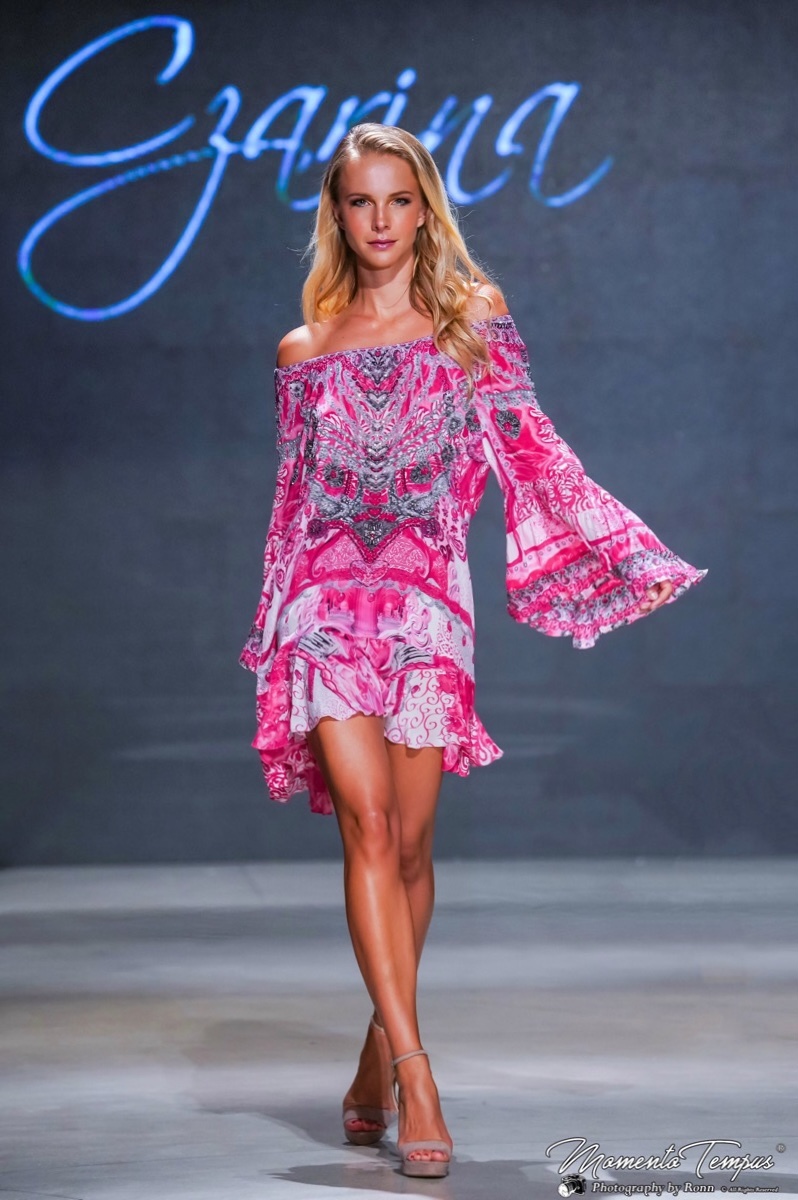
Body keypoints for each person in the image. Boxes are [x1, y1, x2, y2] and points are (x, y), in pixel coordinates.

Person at [238, 122, 707, 1178]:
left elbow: (535, 454)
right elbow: (291, 506)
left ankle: (374, 1052)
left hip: (425, 608)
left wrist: (622, 551)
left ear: (425, 210)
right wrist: (271, 631)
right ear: (336, 213)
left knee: (408, 848)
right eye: (361, 201)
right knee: (365, 826)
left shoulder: (472, 322)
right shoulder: (303, 350)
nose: (381, 221)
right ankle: (417, 1075)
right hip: (322, 607)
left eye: (399, 200)